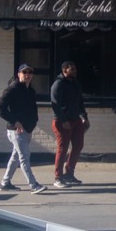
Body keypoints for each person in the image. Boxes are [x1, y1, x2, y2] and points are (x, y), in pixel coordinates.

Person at [0, 64, 48, 194]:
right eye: (24, 72)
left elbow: (32, 108)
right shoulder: (12, 89)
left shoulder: (30, 90)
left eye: (30, 72)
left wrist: (33, 122)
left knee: (16, 157)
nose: (27, 74)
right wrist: (15, 122)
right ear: (19, 74)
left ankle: (5, 183)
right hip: (16, 130)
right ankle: (34, 185)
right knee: (24, 157)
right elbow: (0, 108)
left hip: (27, 128)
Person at [50, 60, 90, 188]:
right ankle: (58, 177)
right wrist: (63, 120)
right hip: (62, 121)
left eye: (75, 68)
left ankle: (69, 174)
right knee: (63, 149)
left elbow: (80, 101)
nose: (74, 71)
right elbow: (55, 105)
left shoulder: (75, 84)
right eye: (71, 68)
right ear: (64, 70)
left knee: (78, 145)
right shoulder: (58, 84)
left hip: (76, 120)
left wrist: (84, 117)